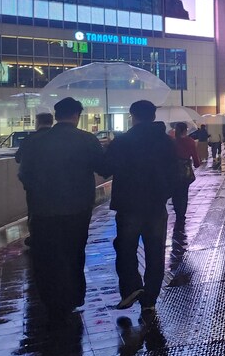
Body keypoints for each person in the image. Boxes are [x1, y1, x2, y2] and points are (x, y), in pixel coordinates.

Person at [17, 98, 105, 323]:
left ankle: (51, 301)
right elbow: (105, 168)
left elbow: (24, 173)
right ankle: (73, 297)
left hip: (43, 209)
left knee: (46, 256)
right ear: (77, 115)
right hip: (77, 208)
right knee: (74, 252)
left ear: (56, 116)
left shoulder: (34, 141)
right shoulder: (86, 140)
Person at [105, 100, 180, 314]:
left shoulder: (123, 141)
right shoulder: (166, 141)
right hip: (156, 203)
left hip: (128, 203)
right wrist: (164, 192)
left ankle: (131, 287)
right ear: (154, 117)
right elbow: (174, 171)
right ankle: (150, 298)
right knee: (155, 251)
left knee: (125, 247)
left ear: (133, 116)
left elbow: (106, 168)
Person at [15, 111, 54, 248]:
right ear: (51, 121)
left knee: (35, 212)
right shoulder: (57, 138)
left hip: (34, 185)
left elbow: (18, 158)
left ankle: (36, 238)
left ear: (38, 123)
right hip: (57, 184)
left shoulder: (30, 139)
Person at [171, 122, 200, 221]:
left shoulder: (173, 142)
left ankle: (177, 210)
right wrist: (196, 164)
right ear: (185, 130)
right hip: (186, 169)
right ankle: (182, 213)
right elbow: (195, 156)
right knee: (184, 192)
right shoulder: (190, 141)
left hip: (174, 170)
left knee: (175, 192)